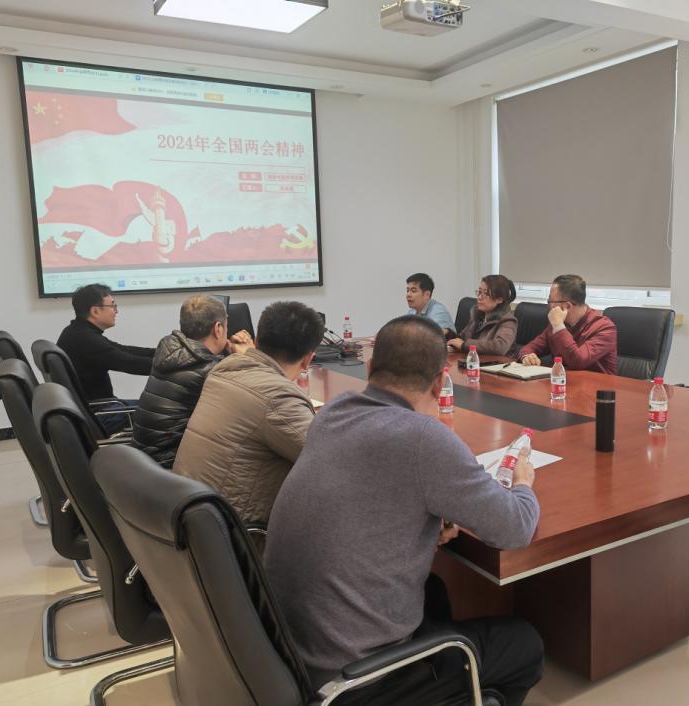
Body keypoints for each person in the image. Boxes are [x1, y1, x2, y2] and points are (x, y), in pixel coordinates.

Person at [264, 316, 543, 706]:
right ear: (440, 383)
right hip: (353, 680)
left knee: (435, 591)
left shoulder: (332, 413)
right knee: (524, 644)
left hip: (290, 651)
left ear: (368, 368)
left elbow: (369, 494)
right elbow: (514, 528)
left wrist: (427, 516)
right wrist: (524, 484)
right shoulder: (424, 438)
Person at [172, 301, 324, 527]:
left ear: (257, 340)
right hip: (239, 534)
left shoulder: (224, 370)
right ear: (308, 359)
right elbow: (330, 460)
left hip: (193, 521)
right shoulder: (277, 398)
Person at [132, 295, 254, 468]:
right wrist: (250, 356)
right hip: (174, 465)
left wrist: (229, 355)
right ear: (218, 329)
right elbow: (259, 395)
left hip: (146, 461)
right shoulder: (210, 370)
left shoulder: (171, 350)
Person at [56, 283, 155, 434]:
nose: (116, 311)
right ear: (95, 311)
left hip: (96, 409)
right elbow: (129, 363)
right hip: (100, 414)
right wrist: (174, 364)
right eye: (112, 306)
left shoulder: (77, 332)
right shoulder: (85, 339)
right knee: (168, 410)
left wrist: (164, 351)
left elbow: (123, 350)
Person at [517, 274, 617, 373]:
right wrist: (527, 356)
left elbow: (577, 361)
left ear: (567, 306)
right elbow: (529, 348)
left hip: (595, 382)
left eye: (550, 301)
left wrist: (559, 327)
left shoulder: (604, 328)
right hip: (562, 381)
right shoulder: (558, 323)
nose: (549, 306)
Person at [449, 274, 519, 357]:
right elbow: (462, 338)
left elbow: (500, 347)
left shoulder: (508, 321)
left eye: (486, 293)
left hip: (496, 363)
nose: (479, 297)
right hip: (474, 360)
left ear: (499, 299)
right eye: (479, 292)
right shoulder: (477, 316)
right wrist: (448, 334)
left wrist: (464, 345)